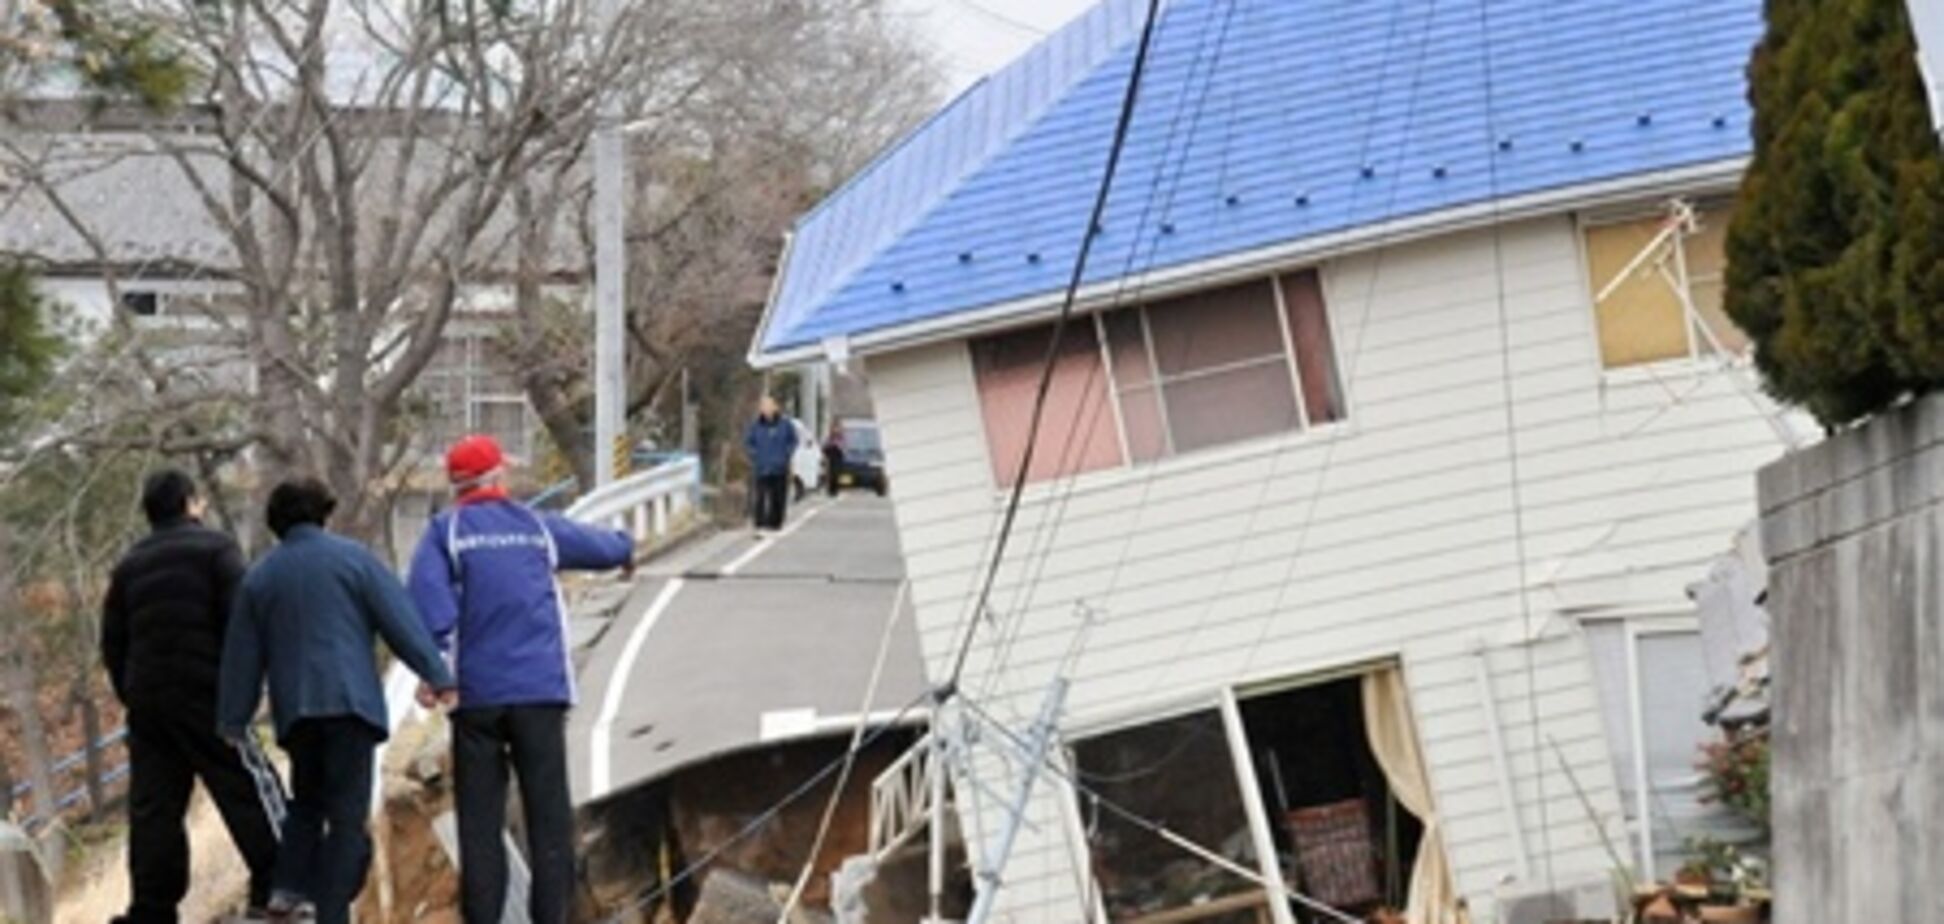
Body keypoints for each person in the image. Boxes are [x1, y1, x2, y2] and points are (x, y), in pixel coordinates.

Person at [407, 435, 633, 924]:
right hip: (540, 691)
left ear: (457, 486)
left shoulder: (443, 533)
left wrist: (433, 672)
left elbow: (429, 606)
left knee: (480, 825)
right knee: (549, 819)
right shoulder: (535, 527)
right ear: (496, 478)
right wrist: (626, 548)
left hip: (476, 697)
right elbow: (598, 546)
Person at [217, 478, 456, 924]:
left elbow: (242, 656)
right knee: (347, 818)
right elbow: (399, 621)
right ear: (323, 513)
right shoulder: (354, 561)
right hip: (351, 706)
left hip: (298, 714)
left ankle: (286, 892)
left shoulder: (261, 577)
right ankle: (331, 915)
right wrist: (437, 674)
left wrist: (233, 718)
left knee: (306, 803)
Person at [102, 471, 282, 924]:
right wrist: (245, 689)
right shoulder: (216, 550)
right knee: (245, 787)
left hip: (149, 703)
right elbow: (243, 621)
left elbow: (113, 642)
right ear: (189, 503)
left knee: (154, 808)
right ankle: (279, 884)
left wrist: (133, 694)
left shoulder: (128, 565)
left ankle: (152, 909)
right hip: (209, 694)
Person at [743, 395, 795, 531]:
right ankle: (760, 522)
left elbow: (793, 440)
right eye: (763, 406)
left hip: (780, 467)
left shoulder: (785, 424)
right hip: (762, 466)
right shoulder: (756, 425)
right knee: (760, 495)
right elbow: (749, 442)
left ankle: (775, 522)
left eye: (768, 406)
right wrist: (754, 454)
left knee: (778, 497)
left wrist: (786, 453)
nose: (765, 409)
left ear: (775, 407)